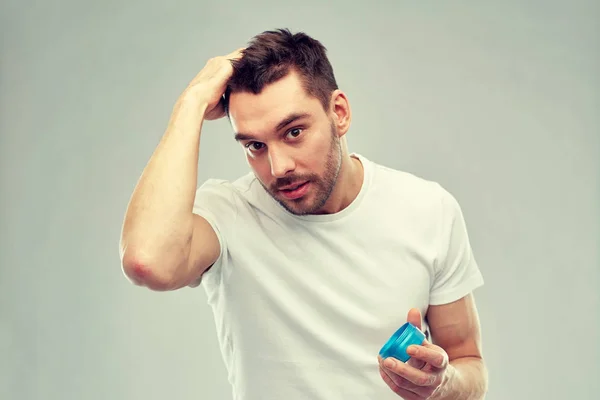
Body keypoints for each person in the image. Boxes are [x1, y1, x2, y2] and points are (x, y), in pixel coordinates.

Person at [119, 28, 488, 400]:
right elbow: (148, 260)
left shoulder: (428, 208)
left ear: (339, 113)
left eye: (293, 132)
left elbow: (467, 360)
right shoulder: (228, 212)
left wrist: (442, 385)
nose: (278, 167)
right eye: (254, 145)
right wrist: (191, 104)